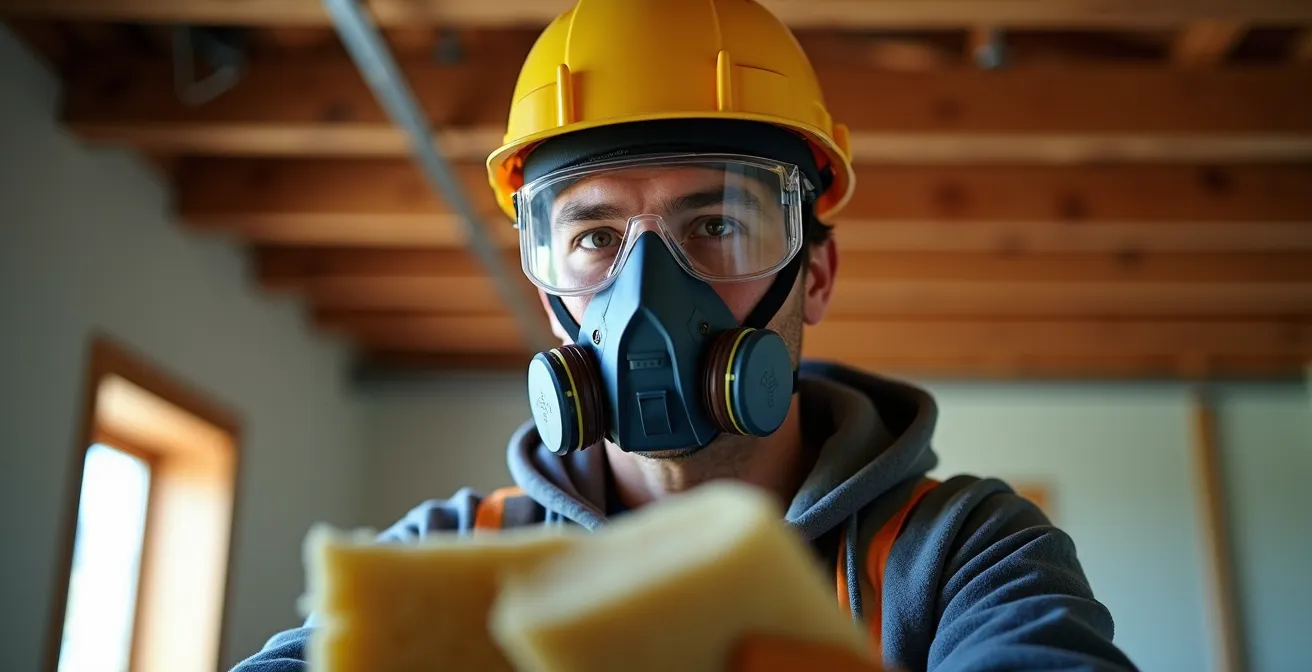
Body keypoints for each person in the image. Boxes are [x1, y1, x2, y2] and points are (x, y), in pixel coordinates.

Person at [233, 1, 1138, 670]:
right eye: (593, 238)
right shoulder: (447, 560)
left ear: (813, 274)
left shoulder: (962, 553)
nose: (644, 293)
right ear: (543, 282)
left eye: (717, 225)